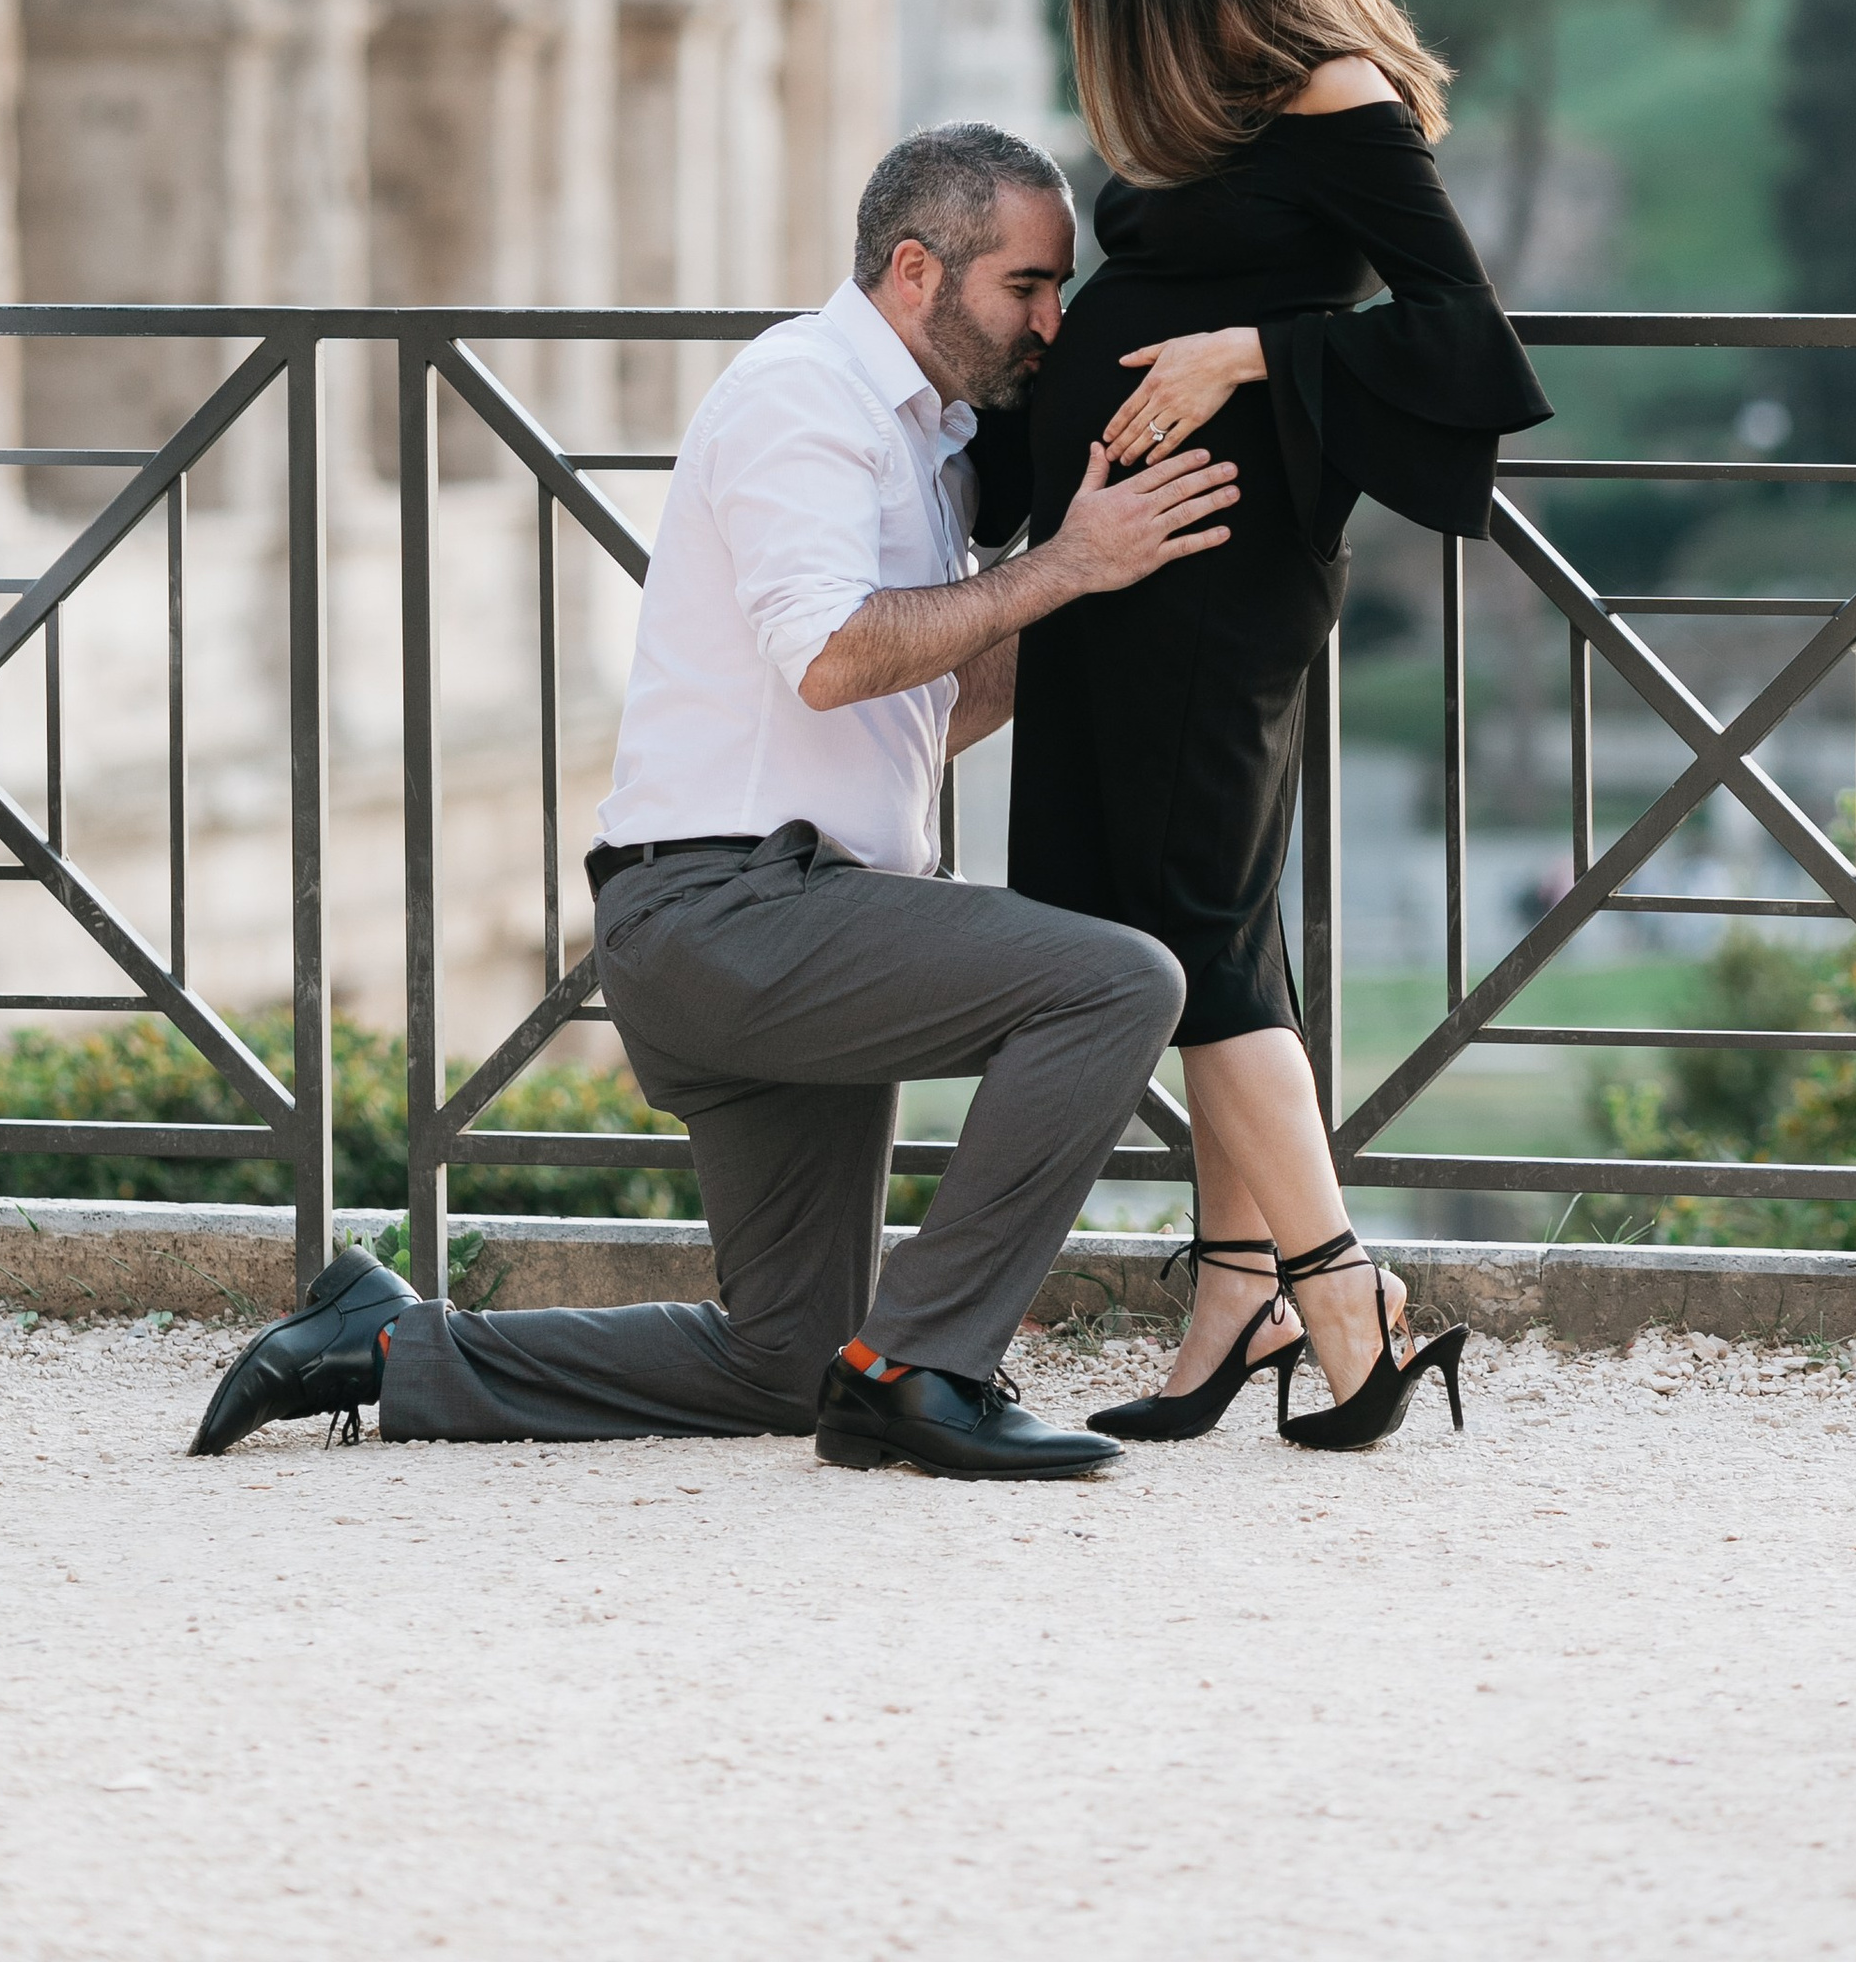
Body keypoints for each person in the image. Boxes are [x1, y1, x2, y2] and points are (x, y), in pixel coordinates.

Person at [191, 123, 1232, 1481]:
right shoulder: (804, 397)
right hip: (733, 915)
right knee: (1116, 987)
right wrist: (1062, 569)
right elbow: (832, 654)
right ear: (918, 271)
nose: (1052, 319)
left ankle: (389, 1344)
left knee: (786, 1360)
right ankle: (927, 1368)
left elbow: (932, 699)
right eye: (1028, 286)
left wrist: (1110, 582)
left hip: (784, 923)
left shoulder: (923, 444)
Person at [1006, 0, 1551, 1453]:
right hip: (1123, 570)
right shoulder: (1237, 128)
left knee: (1193, 930)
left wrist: (1245, 352)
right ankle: (1231, 1294)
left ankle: (1346, 1300)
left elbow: (1465, 339)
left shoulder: (1334, 97)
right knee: (1195, 930)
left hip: (1215, 575)